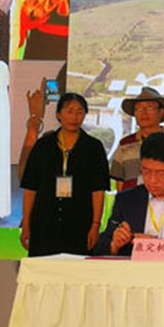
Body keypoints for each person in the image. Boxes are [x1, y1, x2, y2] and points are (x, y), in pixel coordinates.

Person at [20, 93, 109, 256]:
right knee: (43, 268)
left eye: (80, 112)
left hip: (79, 223)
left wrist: (95, 225)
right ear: (59, 114)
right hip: (44, 222)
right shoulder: (43, 146)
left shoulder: (94, 148)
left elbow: (98, 190)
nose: (75, 117)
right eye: (69, 111)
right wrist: (26, 223)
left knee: (75, 268)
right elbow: (30, 187)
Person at [110, 87, 164, 191]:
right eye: (139, 109)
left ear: (161, 112)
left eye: (149, 108)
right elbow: (120, 182)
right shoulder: (125, 144)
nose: (144, 113)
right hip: (133, 200)